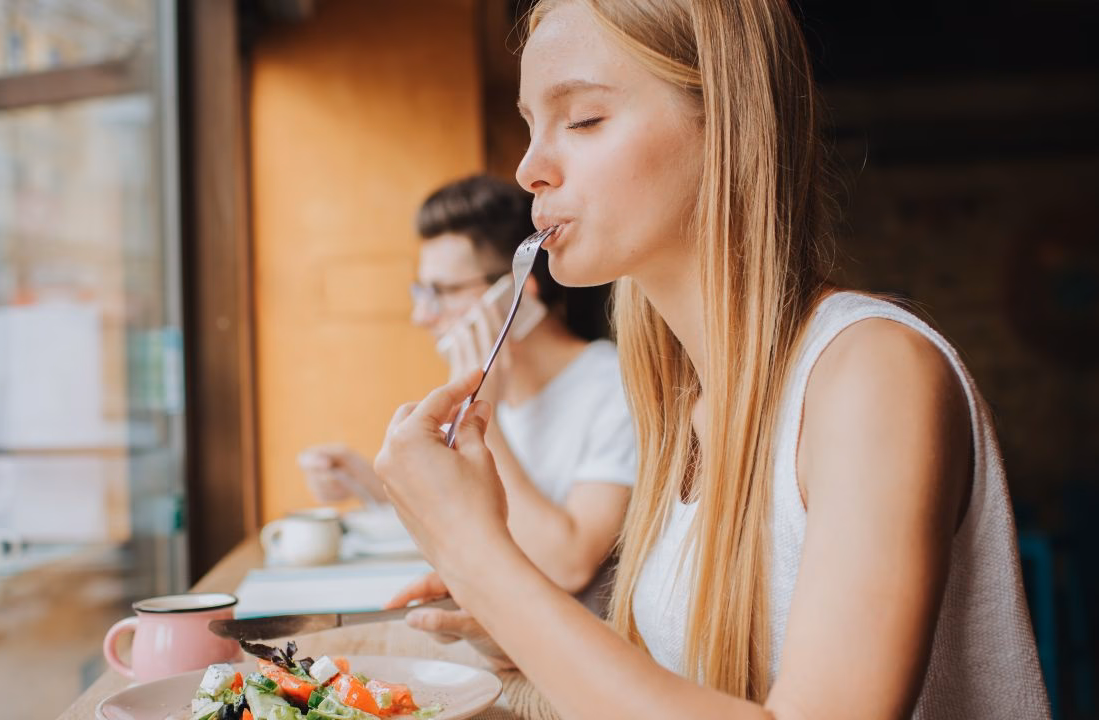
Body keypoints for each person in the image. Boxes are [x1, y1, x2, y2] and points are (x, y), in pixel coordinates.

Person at [373, 1, 1051, 718]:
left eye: (583, 120)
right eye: (530, 125)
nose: (529, 169)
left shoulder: (873, 375)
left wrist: (482, 563)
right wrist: (518, 628)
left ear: (725, 126)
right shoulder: (680, 402)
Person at [300, 174, 636, 615]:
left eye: (440, 292)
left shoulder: (614, 388)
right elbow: (468, 514)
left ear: (516, 294)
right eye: (421, 292)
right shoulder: (501, 391)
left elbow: (567, 564)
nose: (422, 315)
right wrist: (371, 484)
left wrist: (483, 419)